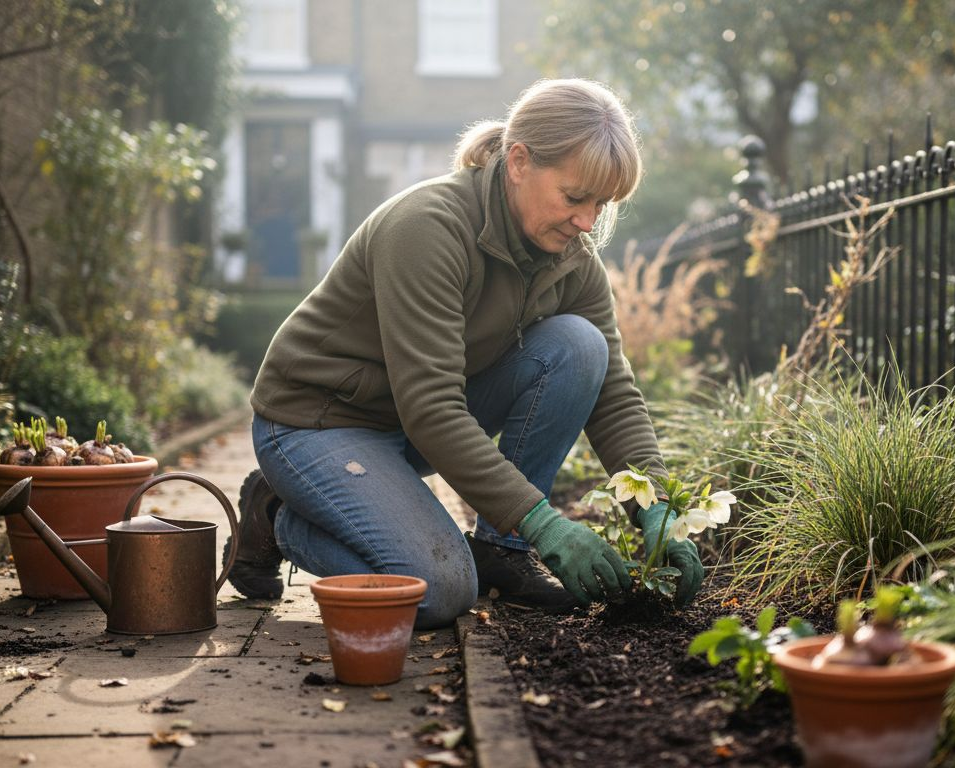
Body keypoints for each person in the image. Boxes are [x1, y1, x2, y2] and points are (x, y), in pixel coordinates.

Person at [225, 78, 703, 629]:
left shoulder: (571, 258)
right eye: (575, 197)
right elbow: (431, 407)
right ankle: (278, 515)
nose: (587, 221)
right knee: (438, 592)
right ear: (519, 162)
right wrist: (543, 521)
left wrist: (660, 510)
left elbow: (614, 393)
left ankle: (503, 553)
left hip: (404, 426)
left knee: (580, 345)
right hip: (317, 425)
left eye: (601, 204)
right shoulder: (428, 229)